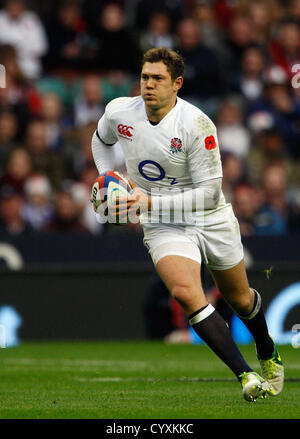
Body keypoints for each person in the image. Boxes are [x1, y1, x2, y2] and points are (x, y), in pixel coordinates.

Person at [90, 47, 284, 402]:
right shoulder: (120, 111)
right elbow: (101, 141)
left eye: (157, 79)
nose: (148, 85)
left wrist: (148, 201)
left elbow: (210, 194)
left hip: (209, 218)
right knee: (185, 293)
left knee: (240, 299)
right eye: (145, 77)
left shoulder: (196, 124)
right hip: (162, 223)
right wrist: (109, 180)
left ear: (176, 84)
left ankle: (268, 349)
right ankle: (245, 375)